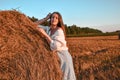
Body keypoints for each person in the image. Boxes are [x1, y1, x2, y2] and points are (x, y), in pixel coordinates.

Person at [35, 12, 76, 80]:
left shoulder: (59, 31)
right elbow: (33, 25)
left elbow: (55, 47)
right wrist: (45, 19)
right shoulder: (48, 29)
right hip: (55, 56)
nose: (54, 19)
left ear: (59, 20)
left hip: (63, 57)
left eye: (56, 18)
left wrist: (45, 34)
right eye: (52, 17)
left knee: (66, 77)